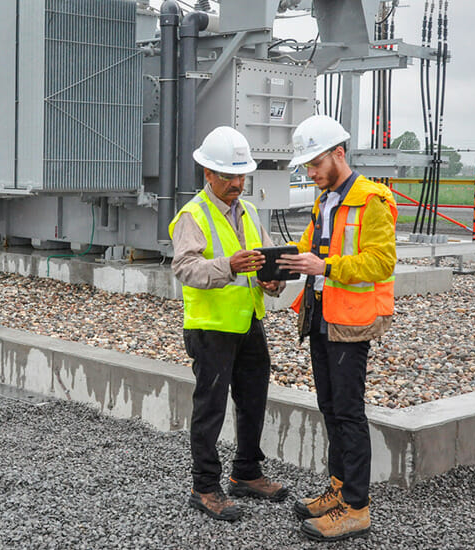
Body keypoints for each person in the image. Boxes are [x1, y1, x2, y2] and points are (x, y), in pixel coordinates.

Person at [277, 115, 397, 542]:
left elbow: (381, 263)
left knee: (348, 413)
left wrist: (325, 266)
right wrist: (279, 269)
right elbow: (309, 247)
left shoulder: (372, 202)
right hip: (322, 316)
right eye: (306, 165)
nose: (309, 172)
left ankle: (357, 508)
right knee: (330, 409)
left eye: (314, 163)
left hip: (351, 322)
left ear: (338, 154)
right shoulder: (325, 200)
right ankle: (339, 490)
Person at [168, 126, 290, 522]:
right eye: (229, 176)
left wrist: (271, 281)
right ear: (208, 173)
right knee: (211, 409)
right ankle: (204, 487)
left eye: (242, 176)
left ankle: (246, 474)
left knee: (253, 401)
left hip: (249, 321)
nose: (238, 183)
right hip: (210, 327)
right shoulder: (193, 215)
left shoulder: (251, 212)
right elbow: (185, 268)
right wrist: (229, 266)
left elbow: (262, 261)